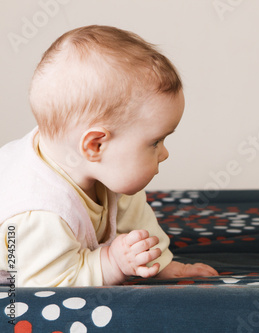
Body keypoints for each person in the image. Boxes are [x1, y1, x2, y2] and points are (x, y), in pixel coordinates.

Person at [0, 25, 218, 287]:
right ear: (96, 146)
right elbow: (47, 288)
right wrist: (111, 263)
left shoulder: (102, 168)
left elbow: (134, 219)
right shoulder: (41, 212)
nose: (165, 153)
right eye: (155, 142)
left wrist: (159, 263)